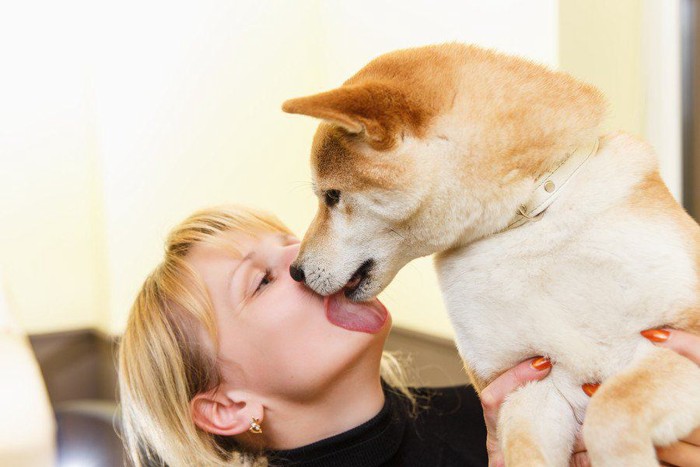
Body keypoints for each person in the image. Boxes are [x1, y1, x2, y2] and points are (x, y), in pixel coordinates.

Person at [118, 205, 700, 467]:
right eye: (262, 281)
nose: (305, 256)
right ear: (227, 406)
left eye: (290, 240)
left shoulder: (504, 409)